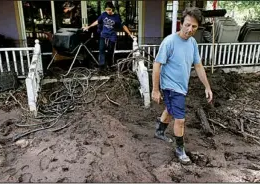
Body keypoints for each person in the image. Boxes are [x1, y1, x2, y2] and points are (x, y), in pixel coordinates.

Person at [151, 7, 213, 165]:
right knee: (180, 119)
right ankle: (180, 150)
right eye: (187, 25)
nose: (189, 29)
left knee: (170, 110)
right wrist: (155, 89)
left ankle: (159, 131)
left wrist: (207, 86)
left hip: (181, 86)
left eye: (194, 27)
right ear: (181, 24)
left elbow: (198, 66)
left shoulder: (192, 43)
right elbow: (157, 65)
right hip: (171, 86)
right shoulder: (169, 42)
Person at [82, 2, 136, 70]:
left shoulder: (116, 17)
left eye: (109, 9)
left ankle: (110, 66)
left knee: (110, 52)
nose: (108, 11)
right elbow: (97, 21)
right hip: (103, 35)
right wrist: (88, 26)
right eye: (106, 10)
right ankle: (101, 67)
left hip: (112, 37)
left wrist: (130, 34)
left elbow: (123, 26)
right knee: (101, 50)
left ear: (112, 9)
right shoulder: (103, 15)